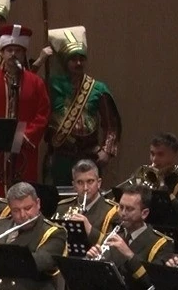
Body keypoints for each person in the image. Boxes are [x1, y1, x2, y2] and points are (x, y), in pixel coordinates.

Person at [38, 26, 121, 185]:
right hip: (60, 155)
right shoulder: (51, 85)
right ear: (65, 60)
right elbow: (27, 87)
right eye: (73, 58)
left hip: (88, 155)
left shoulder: (98, 88)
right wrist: (40, 61)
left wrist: (107, 150)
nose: (78, 62)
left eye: (81, 59)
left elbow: (112, 124)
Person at [0, 24, 50, 188]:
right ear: (1, 53)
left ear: (24, 54)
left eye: (18, 50)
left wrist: (24, 135)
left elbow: (42, 114)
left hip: (24, 148)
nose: (13, 54)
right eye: (9, 50)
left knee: (23, 191)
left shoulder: (35, 83)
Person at [53, 159, 120, 248]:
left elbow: (114, 248)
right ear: (74, 185)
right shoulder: (62, 207)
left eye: (90, 181)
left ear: (99, 183)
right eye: (80, 182)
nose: (85, 188)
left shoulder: (112, 211)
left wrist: (89, 229)